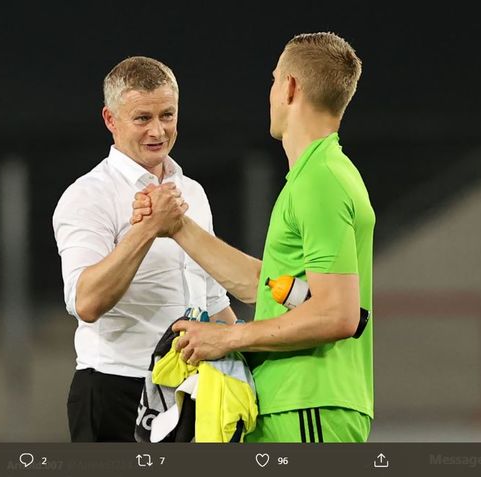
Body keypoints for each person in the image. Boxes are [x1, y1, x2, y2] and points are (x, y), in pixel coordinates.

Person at [131, 32, 374, 442]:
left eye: (274, 80)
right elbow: (269, 287)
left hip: (308, 404)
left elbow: (338, 314)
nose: (271, 92)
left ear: (291, 88)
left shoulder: (320, 181)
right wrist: (176, 227)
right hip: (294, 402)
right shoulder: (322, 173)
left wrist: (229, 337)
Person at [52, 56, 236, 442]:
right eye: (142, 118)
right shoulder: (88, 196)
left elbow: (214, 299)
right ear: (110, 120)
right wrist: (150, 228)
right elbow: (86, 301)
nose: (158, 130)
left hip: (192, 390)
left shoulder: (193, 193)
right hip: (117, 389)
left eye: (167, 115)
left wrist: (244, 366)